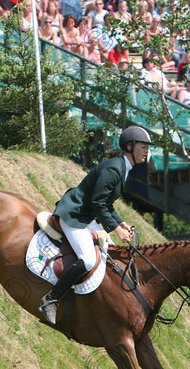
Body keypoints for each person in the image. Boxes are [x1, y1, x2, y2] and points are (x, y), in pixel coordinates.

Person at [40, 126, 149, 324]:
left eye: (146, 148)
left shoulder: (123, 169)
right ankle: (51, 299)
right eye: (142, 147)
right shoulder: (114, 168)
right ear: (129, 146)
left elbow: (106, 204)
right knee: (89, 260)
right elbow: (98, 204)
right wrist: (116, 229)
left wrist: (121, 223)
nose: (146, 151)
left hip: (86, 216)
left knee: (107, 253)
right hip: (74, 214)